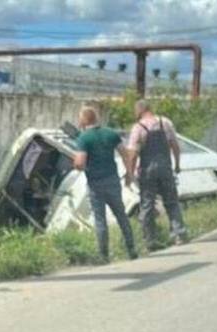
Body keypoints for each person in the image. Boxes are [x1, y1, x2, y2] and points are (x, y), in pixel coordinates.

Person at [73, 106, 138, 262]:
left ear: (83, 120)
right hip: (112, 180)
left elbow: (80, 163)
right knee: (121, 215)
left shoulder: (83, 138)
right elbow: (126, 154)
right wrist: (129, 175)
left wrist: (75, 162)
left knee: (100, 219)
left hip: (96, 184)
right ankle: (132, 249)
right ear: (96, 118)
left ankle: (104, 256)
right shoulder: (111, 134)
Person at [125, 99, 188, 248]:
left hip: (148, 171)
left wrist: (130, 173)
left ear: (140, 110)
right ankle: (179, 235)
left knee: (147, 204)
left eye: (135, 111)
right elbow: (175, 146)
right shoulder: (165, 122)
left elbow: (133, 154)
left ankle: (150, 240)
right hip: (165, 168)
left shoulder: (138, 128)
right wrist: (177, 165)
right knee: (171, 201)